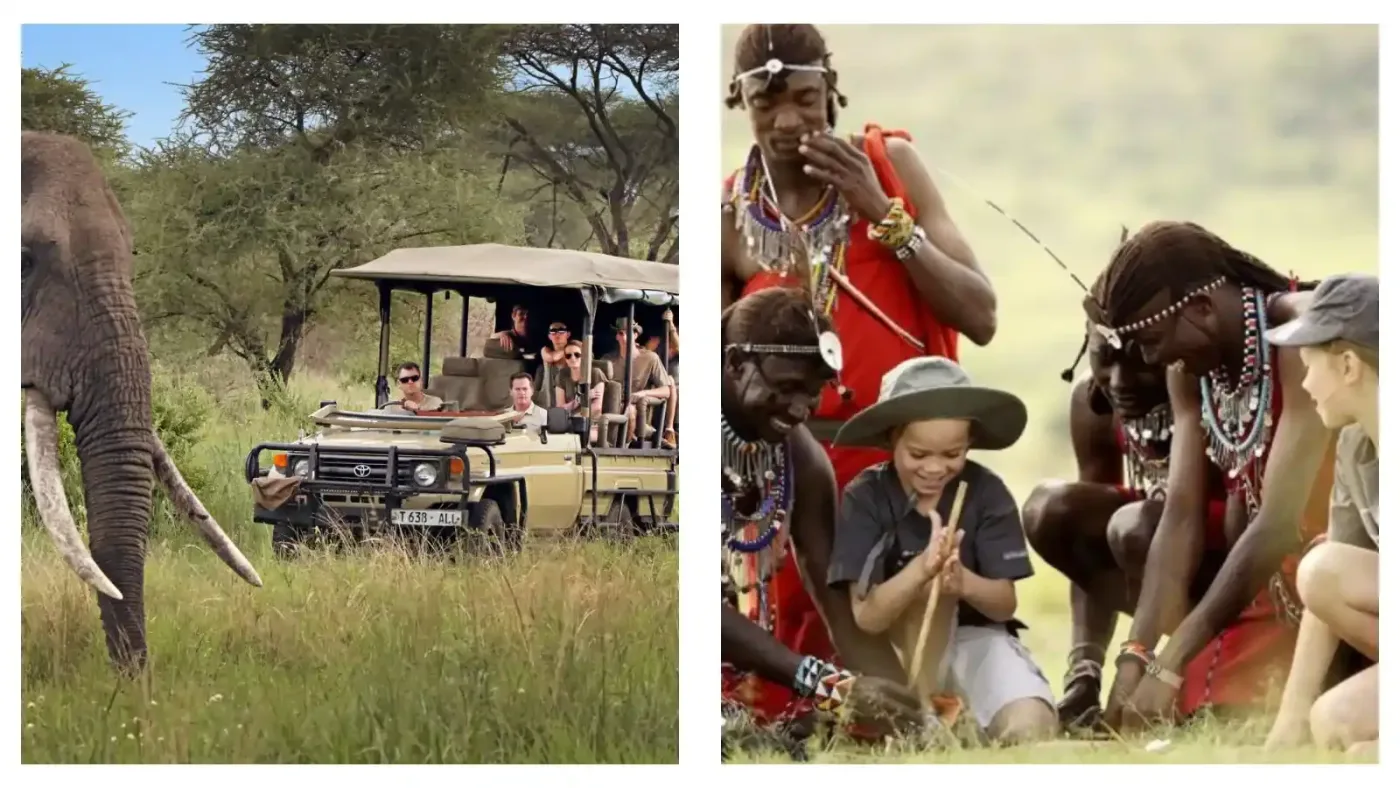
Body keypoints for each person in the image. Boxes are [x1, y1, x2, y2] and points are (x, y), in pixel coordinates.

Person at [718, 23, 999, 713]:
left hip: (900, 473)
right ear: (739, 100)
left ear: (832, 90)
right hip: (792, 479)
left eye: (806, 99)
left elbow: (982, 314)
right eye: (767, 101)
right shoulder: (726, 215)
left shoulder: (892, 164)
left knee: (911, 663)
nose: (788, 121)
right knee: (791, 692)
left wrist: (884, 213)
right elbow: (725, 376)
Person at [1081, 220, 1339, 730]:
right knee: (1192, 707)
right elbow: (1179, 520)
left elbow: (1279, 521)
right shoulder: (1191, 372)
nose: (1152, 361)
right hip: (1273, 588)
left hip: (1338, 572)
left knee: (1219, 702)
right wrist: (1135, 657)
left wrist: (1170, 660)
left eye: (1152, 342)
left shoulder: (1299, 335)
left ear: (1200, 309)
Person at [720, 286, 926, 749]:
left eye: (813, 393)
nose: (800, 409)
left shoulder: (800, 460)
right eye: (787, 387)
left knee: (782, 747)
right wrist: (826, 685)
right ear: (735, 364)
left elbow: (838, 608)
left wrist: (911, 710)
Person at [826, 356, 1058, 744]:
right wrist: (922, 569)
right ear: (890, 440)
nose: (935, 468)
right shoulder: (864, 497)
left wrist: (962, 582)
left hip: (975, 640)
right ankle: (926, 720)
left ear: (970, 444)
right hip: (894, 654)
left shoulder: (987, 493)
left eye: (953, 455)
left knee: (1031, 726)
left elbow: (1004, 604)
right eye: (918, 454)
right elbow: (867, 617)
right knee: (919, 597)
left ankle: (974, 728)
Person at [1021, 322, 1236, 729]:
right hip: (1150, 552)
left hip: (1229, 564)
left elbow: (1182, 520)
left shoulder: (1209, 387)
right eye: (1105, 360)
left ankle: (1188, 669)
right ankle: (1114, 680)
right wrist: (1084, 672)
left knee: (1136, 526)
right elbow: (1086, 547)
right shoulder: (1093, 401)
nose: (1120, 382)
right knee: (1051, 509)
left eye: (1140, 363)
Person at [1261, 273, 1379, 754]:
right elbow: (1327, 589)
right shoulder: (1355, 446)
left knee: (1322, 567)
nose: (1305, 383)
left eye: (1310, 364)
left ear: (1348, 365)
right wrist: (1289, 720)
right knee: (1333, 721)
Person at [601, 319, 672, 446]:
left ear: (635, 334)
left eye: (627, 332)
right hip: (611, 407)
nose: (623, 336)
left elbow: (666, 391)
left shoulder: (650, 358)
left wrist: (643, 393)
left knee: (631, 411)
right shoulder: (608, 360)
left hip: (638, 410)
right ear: (616, 336)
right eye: (620, 333)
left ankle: (626, 445)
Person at [555, 339, 605, 442]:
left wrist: (572, 416)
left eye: (577, 355)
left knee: (575, 438)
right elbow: (560, 408)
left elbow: (596, 408)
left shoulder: (595, 373)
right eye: (568, 356)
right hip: (567, 423)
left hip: (592, 424)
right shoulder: (562, 375)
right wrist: (579, 399)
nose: (573, 358)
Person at [644, 309, 681, 448]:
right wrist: (649, 348)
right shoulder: (658, 342)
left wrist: (671, 325)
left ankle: (670, 430)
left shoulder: (676, 338)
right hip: (659, 388)